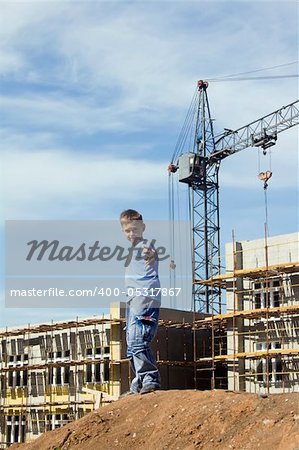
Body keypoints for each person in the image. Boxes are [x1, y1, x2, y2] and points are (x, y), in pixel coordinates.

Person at [120, 209, 161, 395]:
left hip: (145, 297)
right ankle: (138, 383)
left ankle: (150, 378)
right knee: (131, 343)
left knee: (138, 340)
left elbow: (151, 252)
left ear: (142, 228)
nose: (131, 233)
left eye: (135, 229)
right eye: (127, 230)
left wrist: (151, 254)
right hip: (133, 299)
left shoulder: (145, 246)